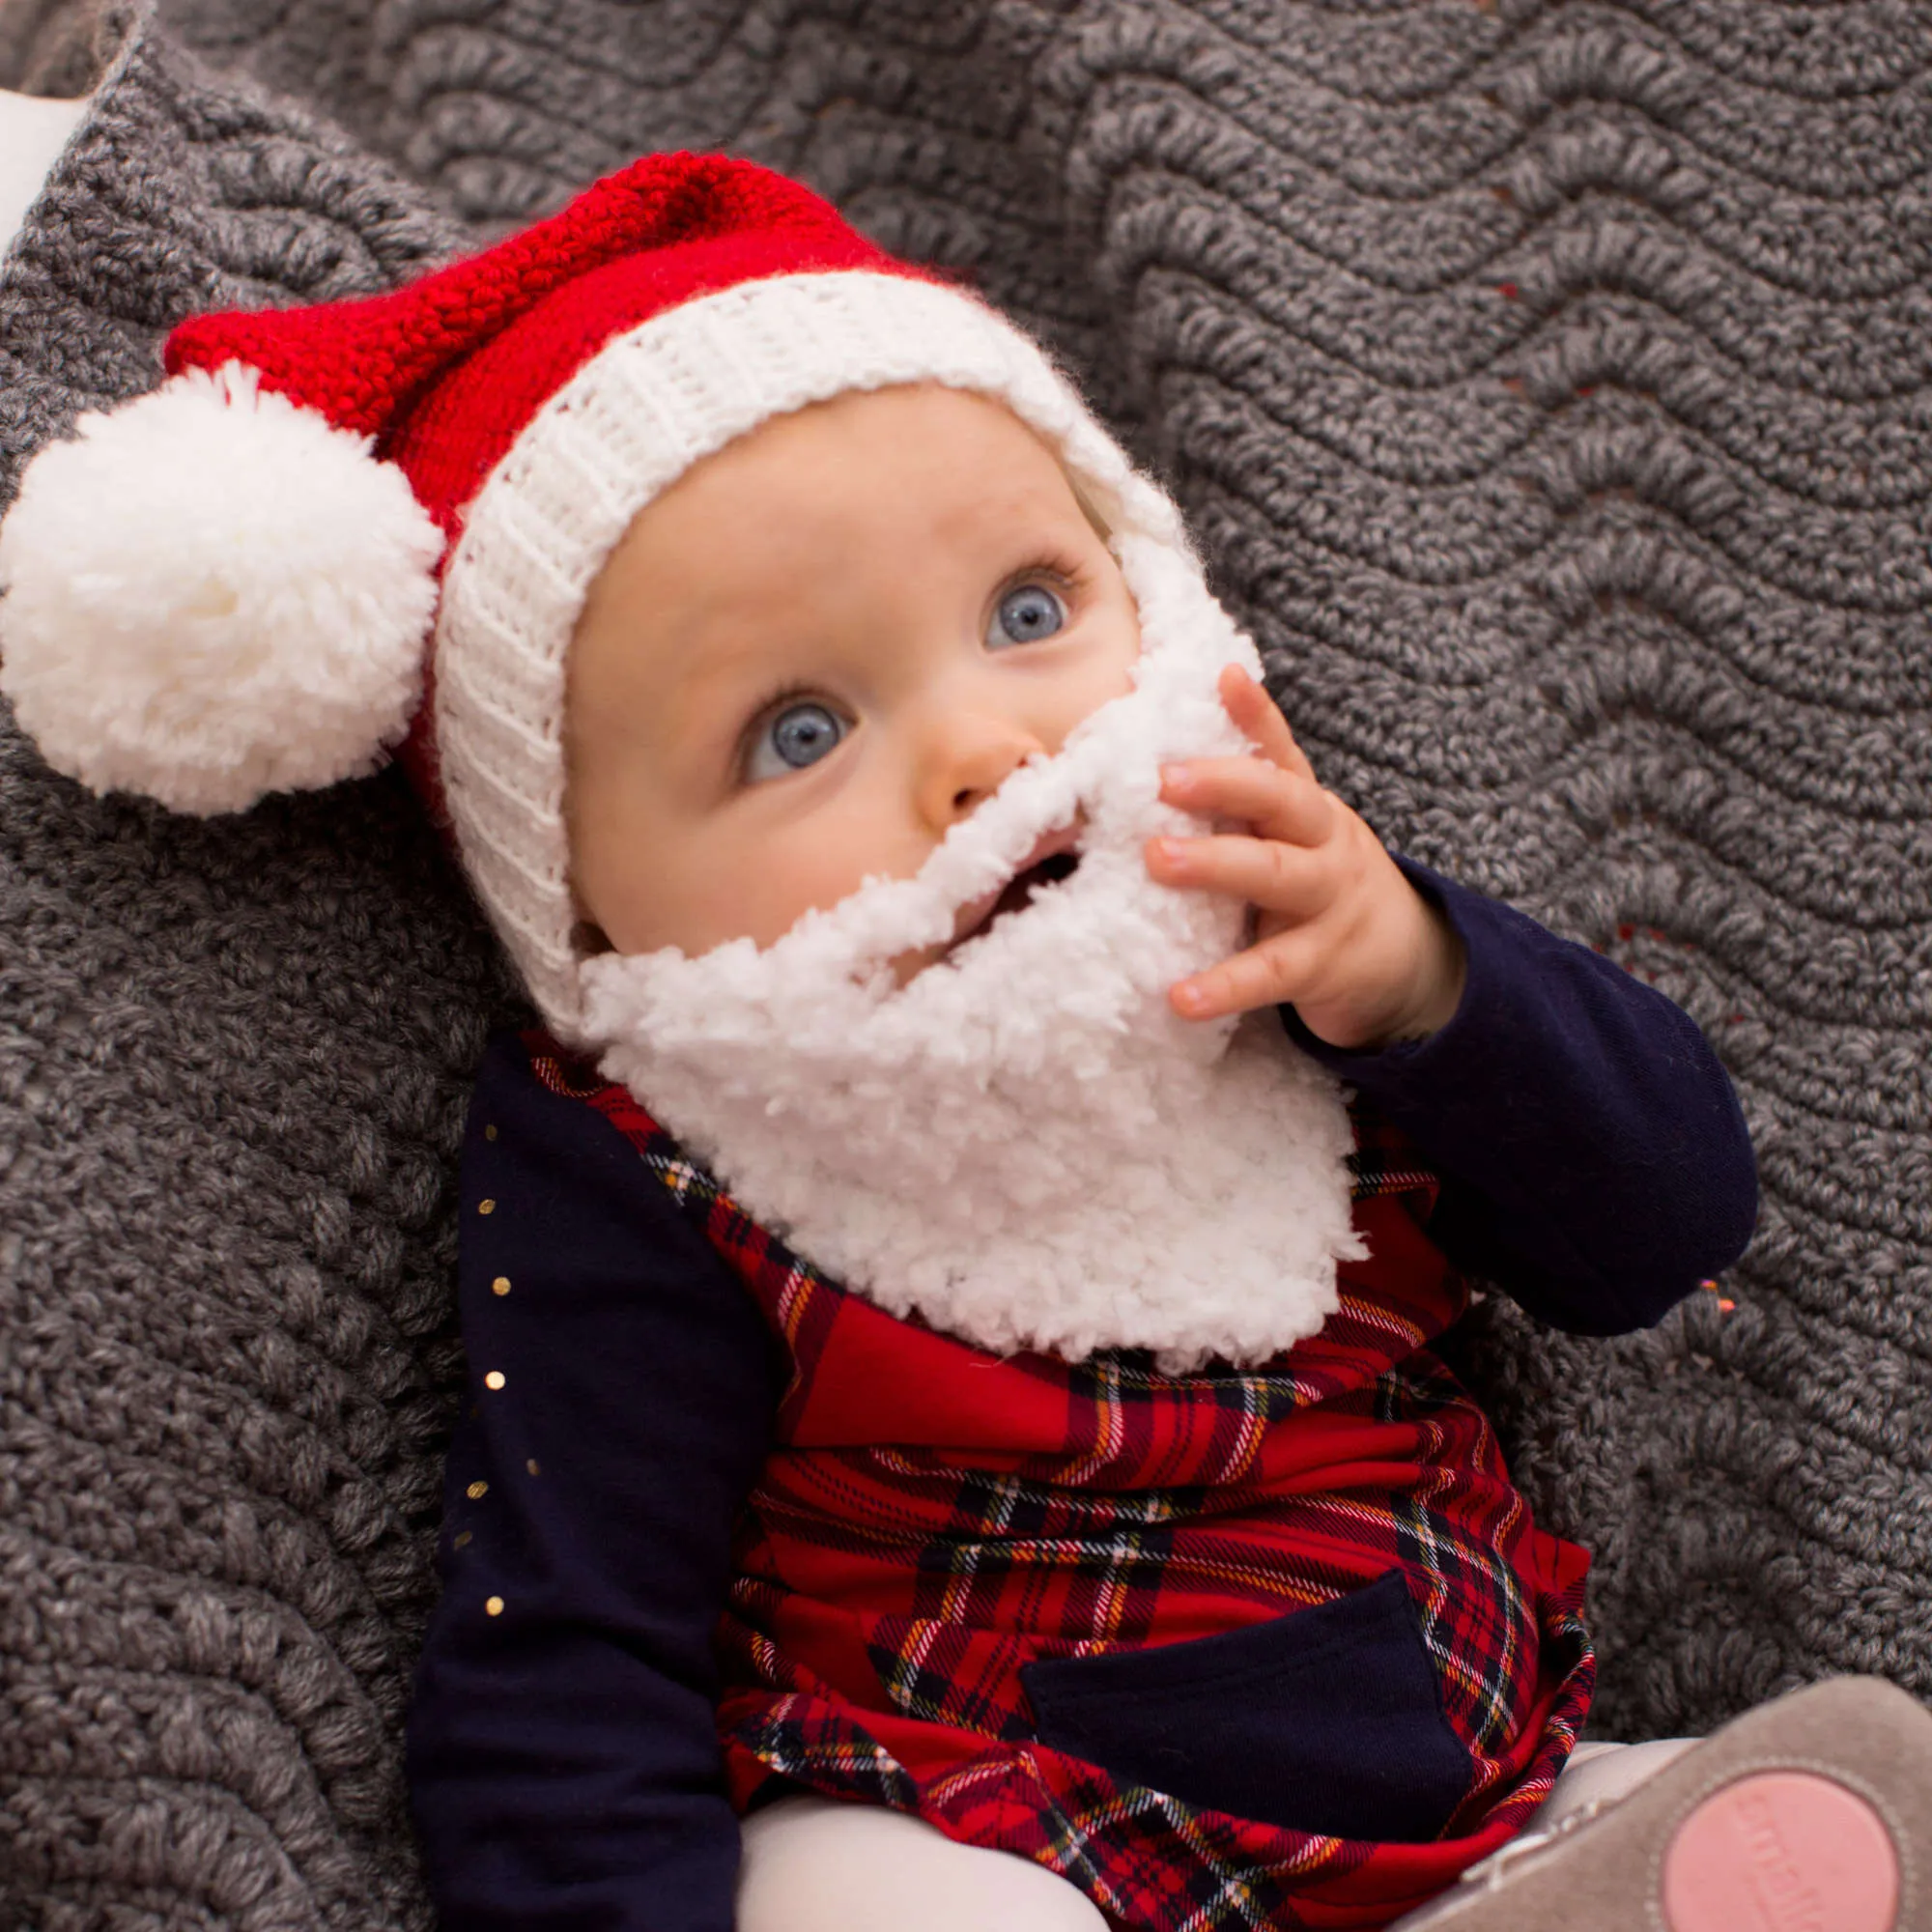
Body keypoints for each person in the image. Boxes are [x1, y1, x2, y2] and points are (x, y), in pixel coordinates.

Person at [2, 153, 1925, 1932]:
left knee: (1836, 1814)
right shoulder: (655, 1151)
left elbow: (1666, 1221)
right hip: (969, 1809)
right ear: (585, 911)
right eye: (796, 732)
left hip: (1464, 1783)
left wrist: (1424, 978)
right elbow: (566, 1653)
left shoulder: (1278, 897)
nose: (986, 751)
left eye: (1029, 607)